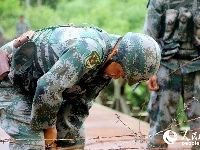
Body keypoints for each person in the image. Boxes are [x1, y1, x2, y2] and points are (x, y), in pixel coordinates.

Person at [0, 25, 161, 149]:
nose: (120, 77)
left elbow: (79, 104)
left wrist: (65, 141)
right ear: (116, 53)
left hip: (34, 88)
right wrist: (48, 128)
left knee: (73, 139)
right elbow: (48, 86)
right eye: (122, 72)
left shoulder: (106, 68)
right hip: (10, 81)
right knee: (34, 142)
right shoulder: (89, 49)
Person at [143, 0, 200, 149]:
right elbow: (149, 37)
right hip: (166, 66)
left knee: (199, 123)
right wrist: (150, 70)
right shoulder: (160, 1)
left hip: (197, 66)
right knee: (160, 122)